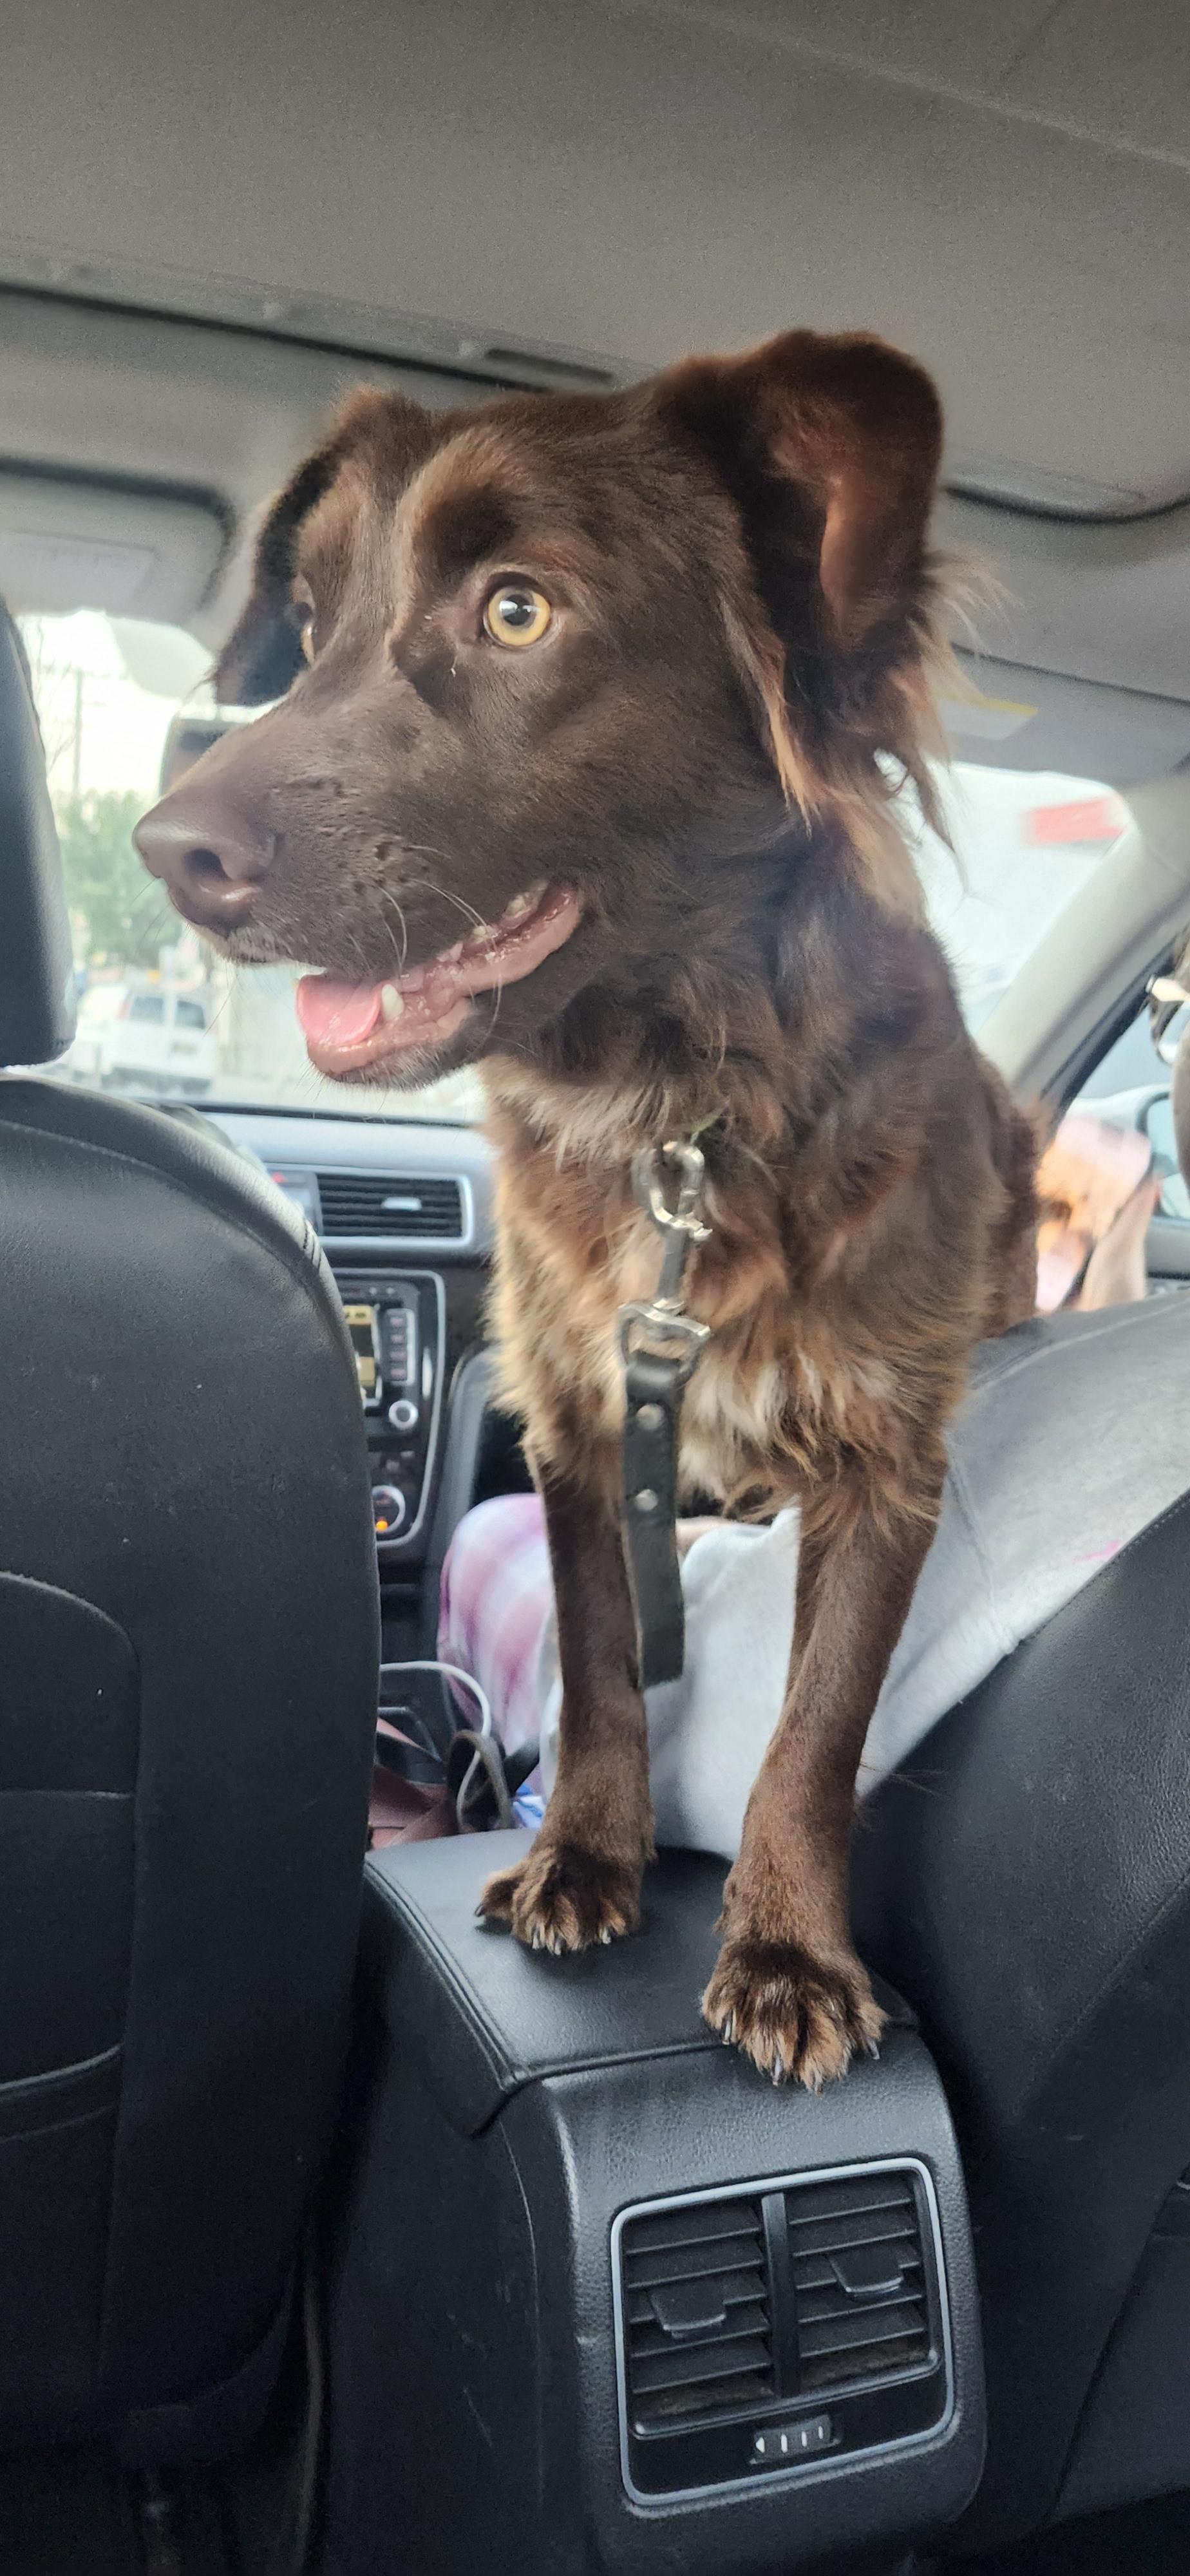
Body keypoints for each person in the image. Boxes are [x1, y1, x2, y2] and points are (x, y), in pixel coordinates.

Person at [439, 1095, 1182, 1861]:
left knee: (488, 1538)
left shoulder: (1033, 1404)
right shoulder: (1136, 1376)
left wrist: (704, 1565)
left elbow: (672, 1751)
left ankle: (481, 1806)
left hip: (798, 1820)